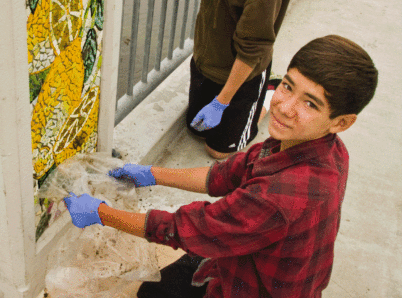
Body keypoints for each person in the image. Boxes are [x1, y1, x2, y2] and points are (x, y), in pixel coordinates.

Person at [64, 35, 378, 297]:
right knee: (155, 290)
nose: (285, 107)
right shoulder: (325, 149)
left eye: (310, 103)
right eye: (287, 86)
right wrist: (151, 174)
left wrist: (101, 213)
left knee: (155, 290)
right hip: (254, 259)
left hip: (255, 289)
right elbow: (225, 174)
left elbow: (186, 228)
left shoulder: (279, 196)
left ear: (341, 122)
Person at [145, 0, 293, 159]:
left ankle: (265, 97)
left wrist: (222, 102)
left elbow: (250, 53)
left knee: (217, 152)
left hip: (244, 73)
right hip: (207, 56)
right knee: (196, 131)